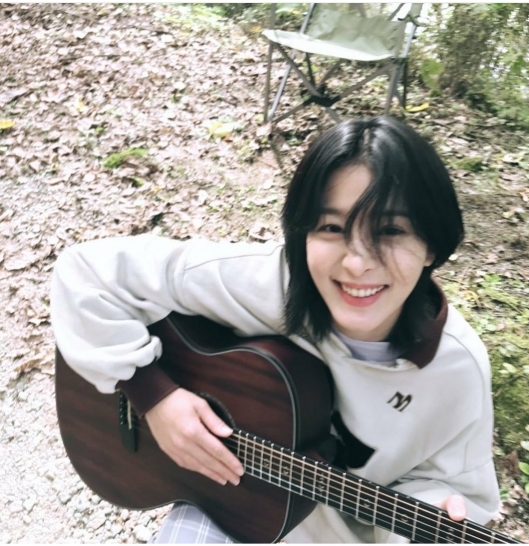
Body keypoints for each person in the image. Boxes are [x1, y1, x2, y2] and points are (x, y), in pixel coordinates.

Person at [50, 116, 500, 543]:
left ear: (430, 245)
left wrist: (435, 509)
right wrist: (154, 397)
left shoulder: (456, 371)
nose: (357, 262)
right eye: (332, 227)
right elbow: (87, 272)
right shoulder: (270, 284)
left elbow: (454, 487)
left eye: (390, 230)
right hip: (228, 502)